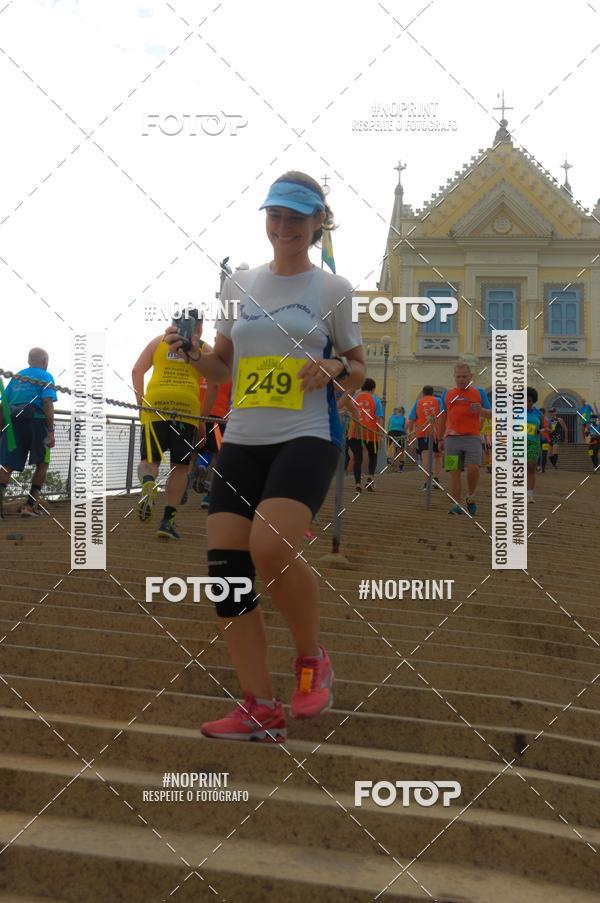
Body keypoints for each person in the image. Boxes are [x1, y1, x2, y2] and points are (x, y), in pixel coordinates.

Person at [165, 171, 365, 743]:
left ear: (318, 223)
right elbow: (222, 365)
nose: (284, 228)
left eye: (298, 218)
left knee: (269, 545)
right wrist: (194, 353)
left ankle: (312, 660)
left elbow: (358, 367)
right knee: (227, 576)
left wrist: (333, 368)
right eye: (276, 216)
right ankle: (259, 706)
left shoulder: (332, 289)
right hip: (244, 439)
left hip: (307, 433)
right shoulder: (240, 285)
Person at [131, 310, 209, 539]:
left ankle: (147, 483)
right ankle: (167, 522)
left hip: (156, 405)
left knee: (149, 460)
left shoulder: (158, 342)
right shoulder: (204, 348)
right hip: (187, 410)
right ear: (199, 327)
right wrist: (202, 418)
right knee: (180, 467)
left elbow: (137, 370)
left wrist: (141, 403)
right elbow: (215, 383)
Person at [0, 348, 57, 518]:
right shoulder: (46, 376)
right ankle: (29, 506)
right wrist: (51, 431)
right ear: (45, 361)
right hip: (37, 423)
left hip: (13, 424)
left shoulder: (17, 377)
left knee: (7, 465)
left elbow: (3, 406)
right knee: (43, 462)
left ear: (29, 361)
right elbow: (47, 402)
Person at [438, 363, 491, 515]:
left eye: (464, 377)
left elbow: (491, 414)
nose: (461, 380)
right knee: (453, 471)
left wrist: (481, 410)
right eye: (458, 377)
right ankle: (456, 504)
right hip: (451, 439)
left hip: (472, 437)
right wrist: (440, 438)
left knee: (473, 468)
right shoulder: (447, 394)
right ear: (454, 377)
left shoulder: (479, 392)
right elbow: (443, 417)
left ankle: (470, 495)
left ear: (471, 377)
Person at [343, 378, 382, 492]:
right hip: (371, 432)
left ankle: (357, 484)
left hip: (355, 432)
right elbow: (378, 418)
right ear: (373, 389)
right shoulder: (376, 399)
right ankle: (370, 479)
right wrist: (379, 435)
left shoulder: (354, 398)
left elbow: (348, 412)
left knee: (357, 458)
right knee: (372, 455)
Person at [407, 386, 442, 489]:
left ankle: (427, 482)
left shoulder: (418, 402)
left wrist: (411, 433)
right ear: (432, 393)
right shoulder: (439, 401)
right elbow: (444, 416)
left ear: (423, 393)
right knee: (438, 456)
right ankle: (436, 478)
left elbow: (411, 419)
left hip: (423, 433)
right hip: (437, 432)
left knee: (425, 457)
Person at [526, 388, 548, 503]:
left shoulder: (538, 413)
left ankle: (529, 495)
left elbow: (545, 427)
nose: (527, 403)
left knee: (531, 468)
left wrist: (540, 431)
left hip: (533, 444)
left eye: (530, 401)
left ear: (533, 401)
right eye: (525, 400)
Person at [387, 406, 406, 471]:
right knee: (400, 450)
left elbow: (388, 427)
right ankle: (399, 467)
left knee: (392, 449)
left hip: (391, 432)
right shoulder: (403, 418)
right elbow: (405, 427)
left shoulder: (391, 417)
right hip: (400, 432)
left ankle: (391, 463)